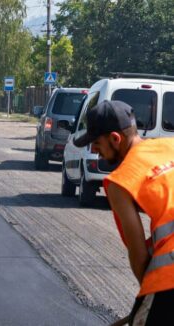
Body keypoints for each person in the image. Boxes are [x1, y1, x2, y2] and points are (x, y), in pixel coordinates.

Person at [73, 100, 174, 325]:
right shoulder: (171, 146)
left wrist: (148, 299)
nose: (94, 151)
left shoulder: (119, 182)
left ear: (115, 139)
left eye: (96, 143)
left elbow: (139, 256)